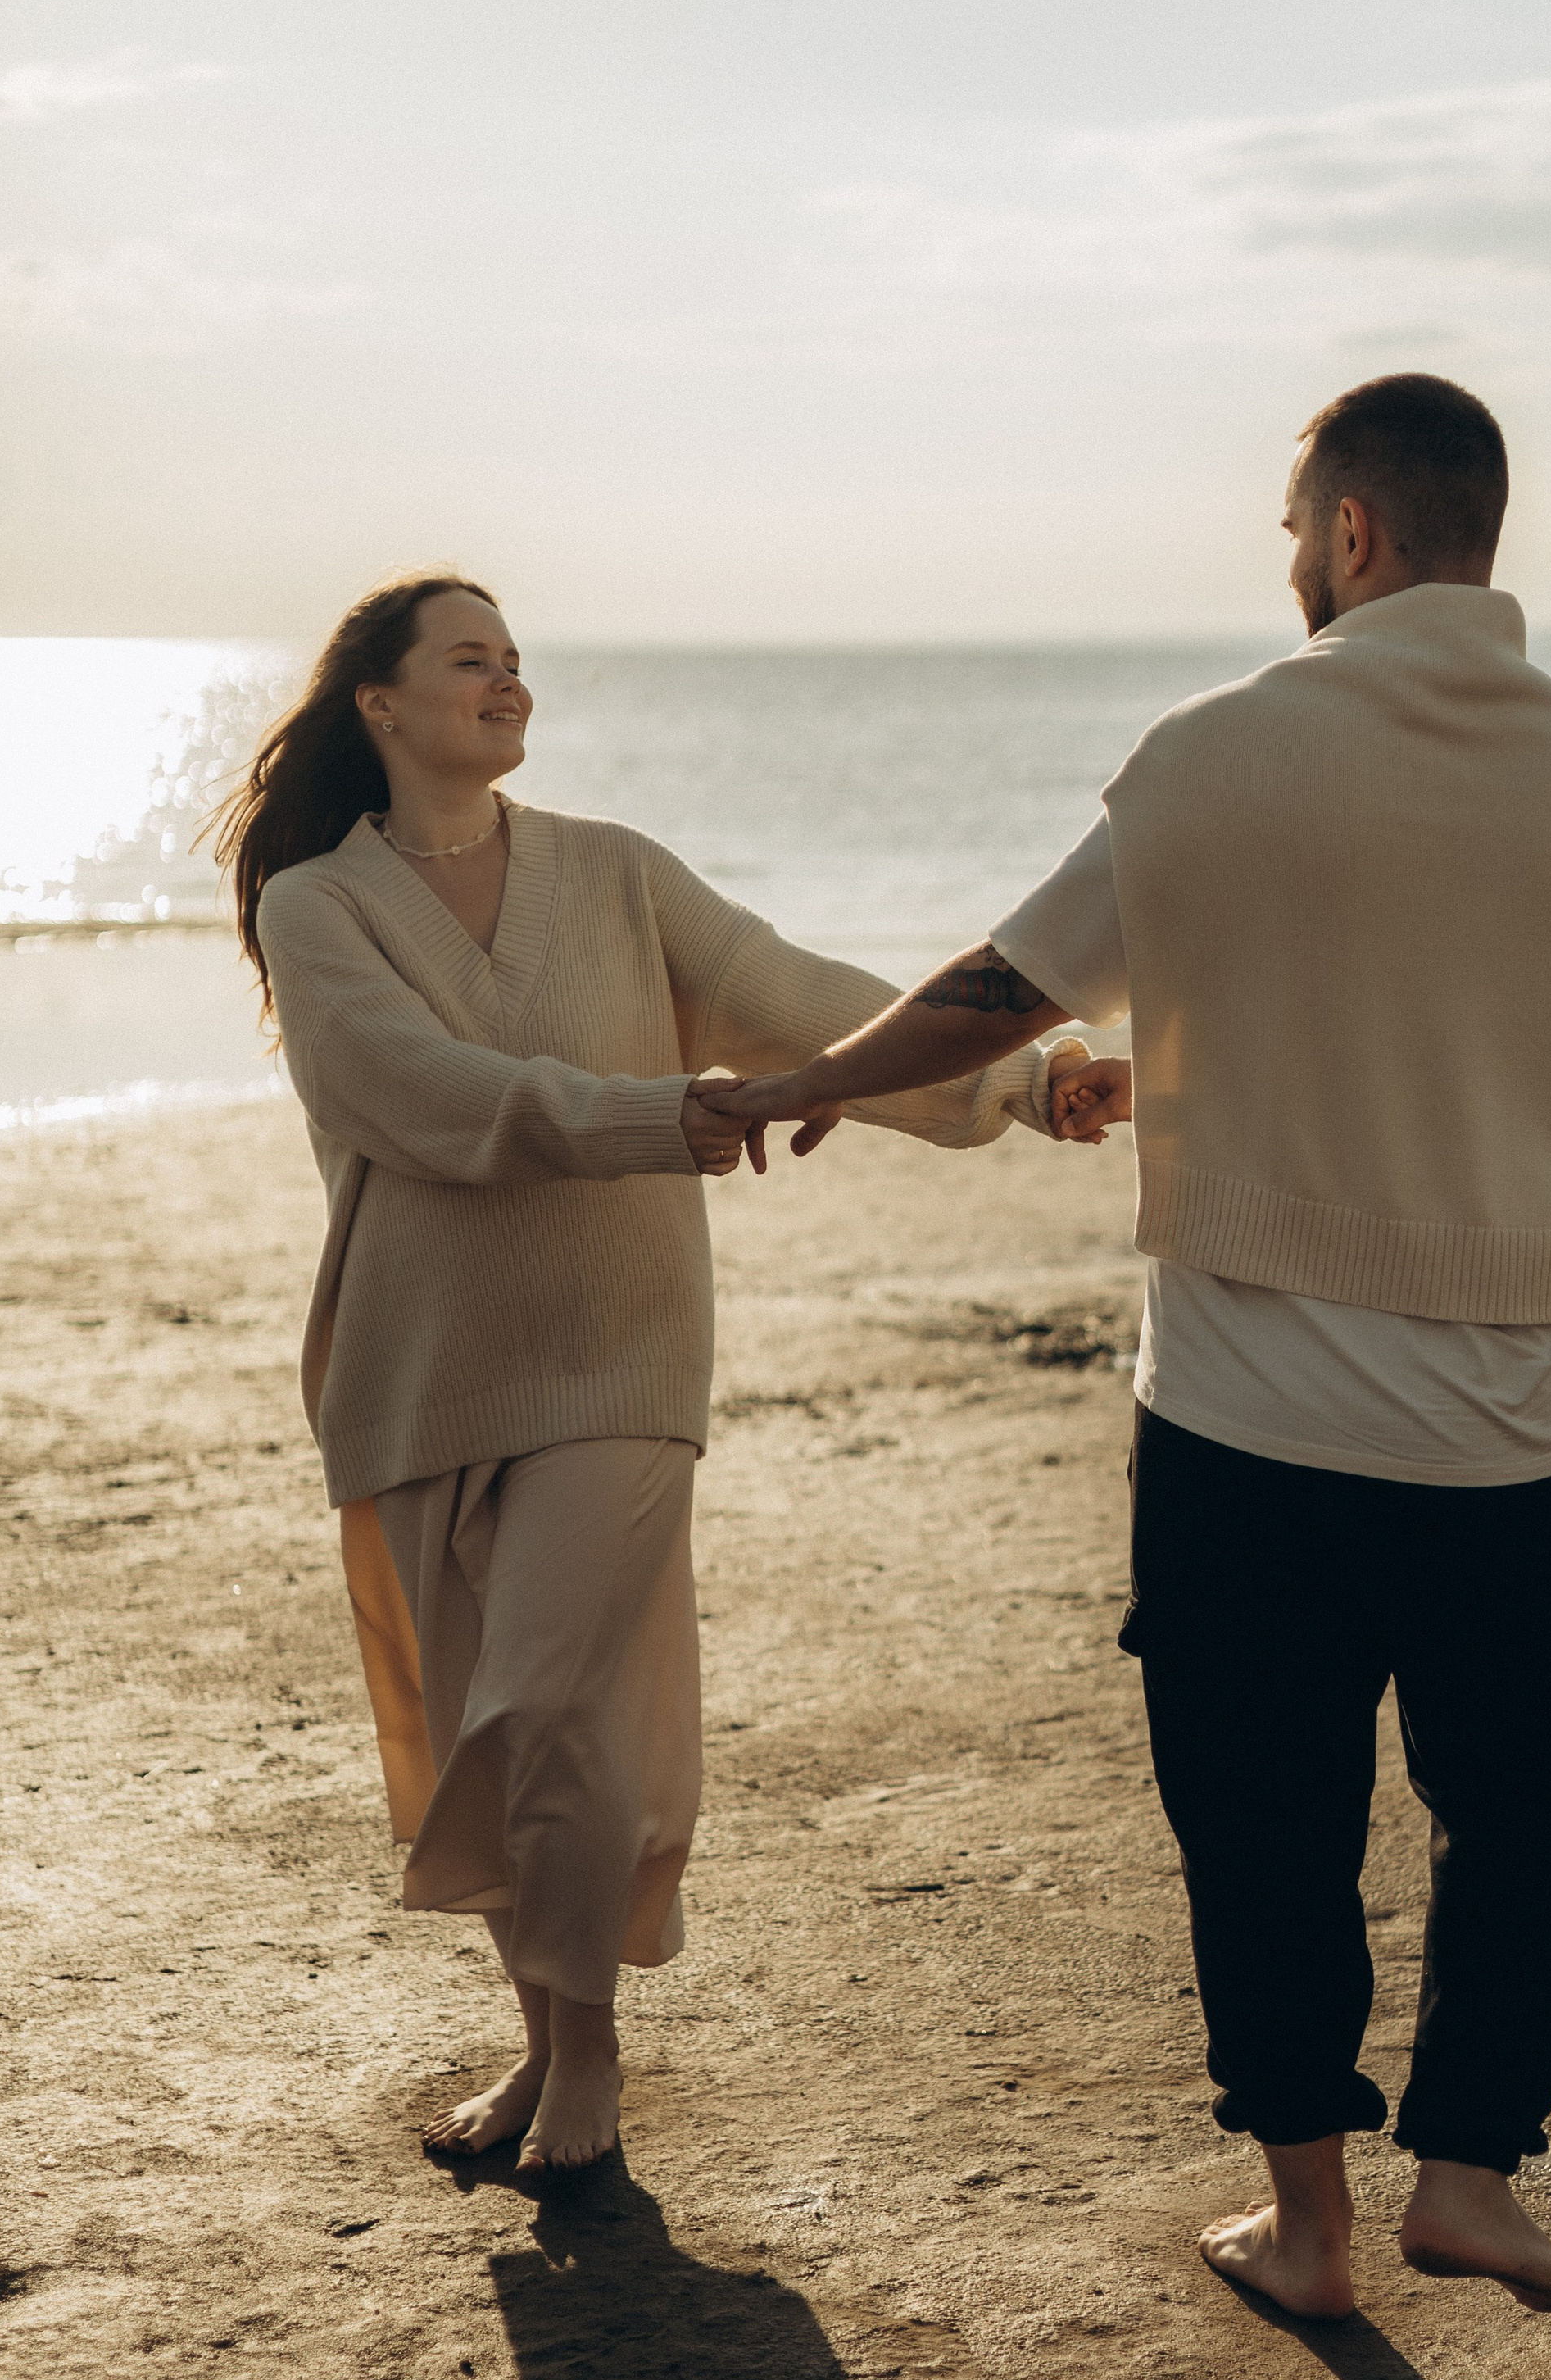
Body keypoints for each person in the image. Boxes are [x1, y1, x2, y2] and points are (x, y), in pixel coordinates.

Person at [705, 375, 1551, 2316]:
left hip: (1255, 1425)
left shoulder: (1222, 752)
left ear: (1354, 536)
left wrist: (817, 1075)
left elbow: (999, 983)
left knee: (1264, 1810)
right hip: (1522, 1423)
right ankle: (1466, 2176)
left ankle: (1305, 2230)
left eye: (1297, 528)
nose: (1292, 562)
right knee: (1531, 1798)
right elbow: (1545, 1051)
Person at [215, 573, 1084, 2174]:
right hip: (413, 1375)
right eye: (467, 660)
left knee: (551, 1699)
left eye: (514, 660)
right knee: (475, 1747)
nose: (505, 680)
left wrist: (1024, 1081)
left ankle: (592, 2064)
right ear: (380, 708)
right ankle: (541, 2054)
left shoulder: (613, 874)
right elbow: (416, 1092)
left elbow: (794, 996)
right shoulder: (317, 907)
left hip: (617, 1349)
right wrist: (650, 1114)